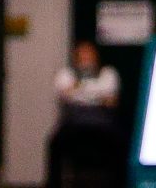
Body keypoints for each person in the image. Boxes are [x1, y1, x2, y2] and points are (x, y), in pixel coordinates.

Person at [48, 42, 121, 188]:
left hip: (102, 123)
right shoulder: (66, 74)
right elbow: (65, 93)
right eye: (83, 54)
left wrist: (82, 93)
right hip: (73, 123)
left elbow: (111, 101)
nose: (87, 58)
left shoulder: (108, 73)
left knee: (119, 143)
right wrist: (92, 90)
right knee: (54, 144)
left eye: (90, 54)